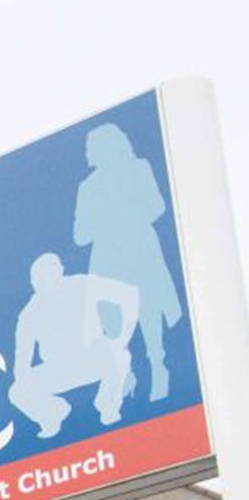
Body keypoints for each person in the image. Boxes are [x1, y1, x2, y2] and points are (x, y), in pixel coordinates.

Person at [72, 123, 183, 402]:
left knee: (148, 308)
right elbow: (79, 235)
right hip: (107, 259)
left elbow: (156, 206)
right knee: (110, 321)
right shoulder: (87, 188)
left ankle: (159, 368)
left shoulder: (138, 169)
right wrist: (104, 222)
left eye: (93, 147)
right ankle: (126, 374)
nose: (89, 154)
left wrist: (124, 215)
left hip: (139, 250)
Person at [9, 253, 138, 438]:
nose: (43, 281)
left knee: (118, 354)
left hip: (93, 356)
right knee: (17, 391)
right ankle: (52, 415)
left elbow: (127, 294)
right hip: (59, 369)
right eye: (38, 278)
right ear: (33, 282)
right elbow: (22, 357)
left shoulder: (81, 284)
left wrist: (123, 335)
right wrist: (24, 380)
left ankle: (108, 408)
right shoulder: (29, 313)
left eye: (48, 274)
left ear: (60, 271)